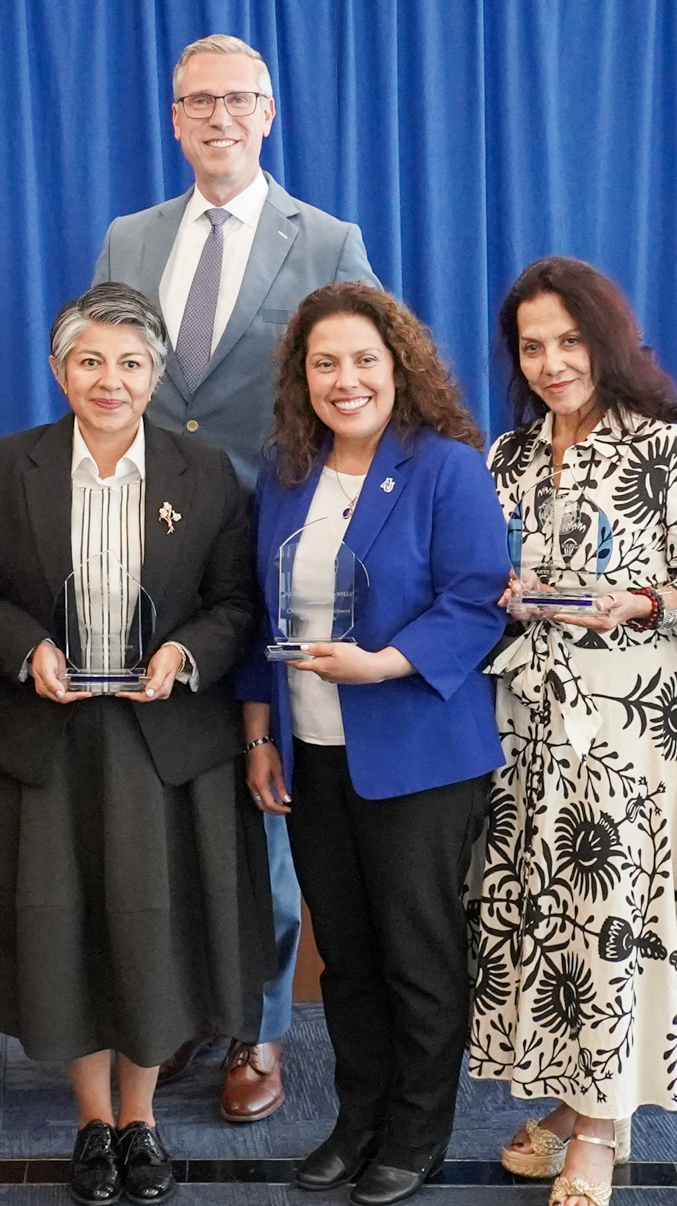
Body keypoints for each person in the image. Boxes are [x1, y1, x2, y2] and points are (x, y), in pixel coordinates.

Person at [91, 30, 377, 1124]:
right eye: (198, 101)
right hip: (148, 562)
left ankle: (258, 1027)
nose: (218, 117)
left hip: (276, 556)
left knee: (266, 806)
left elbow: (372, 377)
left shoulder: (328, 239)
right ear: (174, 119)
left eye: (238, 100)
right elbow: (108, 374)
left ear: (269, 114)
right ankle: (175, 1007)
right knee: (164, 800)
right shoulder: (128, 237)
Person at [0, 283, 271, 1205]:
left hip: (164, 743)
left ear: (155, 375)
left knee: (152, 931)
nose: (110, 380)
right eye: (90, 361)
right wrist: (27, 651)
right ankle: (91, 1120)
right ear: (60, 371)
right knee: (64, 928)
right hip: (45, 737)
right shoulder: (6, 467)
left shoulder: (205, 472)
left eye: (130, 363)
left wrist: (181, 655)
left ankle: (141, 1118)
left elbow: (236, 604)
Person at [470, 258, 677, 1206]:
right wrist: (497, 592)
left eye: (570, 341)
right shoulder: (506, 457)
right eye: (532, 347)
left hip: (628, 719)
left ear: (609, 340)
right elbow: (485, 573)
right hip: (527, 716)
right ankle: (572, 1096)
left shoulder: (675, 452)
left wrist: (640, 600)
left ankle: (599, 1128)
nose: (551, 363)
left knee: (611, 914)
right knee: (543, 913)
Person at [237, 282, 509, 1206]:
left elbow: (478, 600)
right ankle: (358, 1121)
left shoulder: (447, 468)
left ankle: (418, 1132)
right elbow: (259, 613)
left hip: (419, 754)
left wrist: (385, 663)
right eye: (324, 364)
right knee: (346, 955)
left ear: (399, 367)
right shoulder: (286, 472)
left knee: (415, 954)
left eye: (363, 360)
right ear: (301, 377)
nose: (344, 380)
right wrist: (260, 734)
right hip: (311, 751)